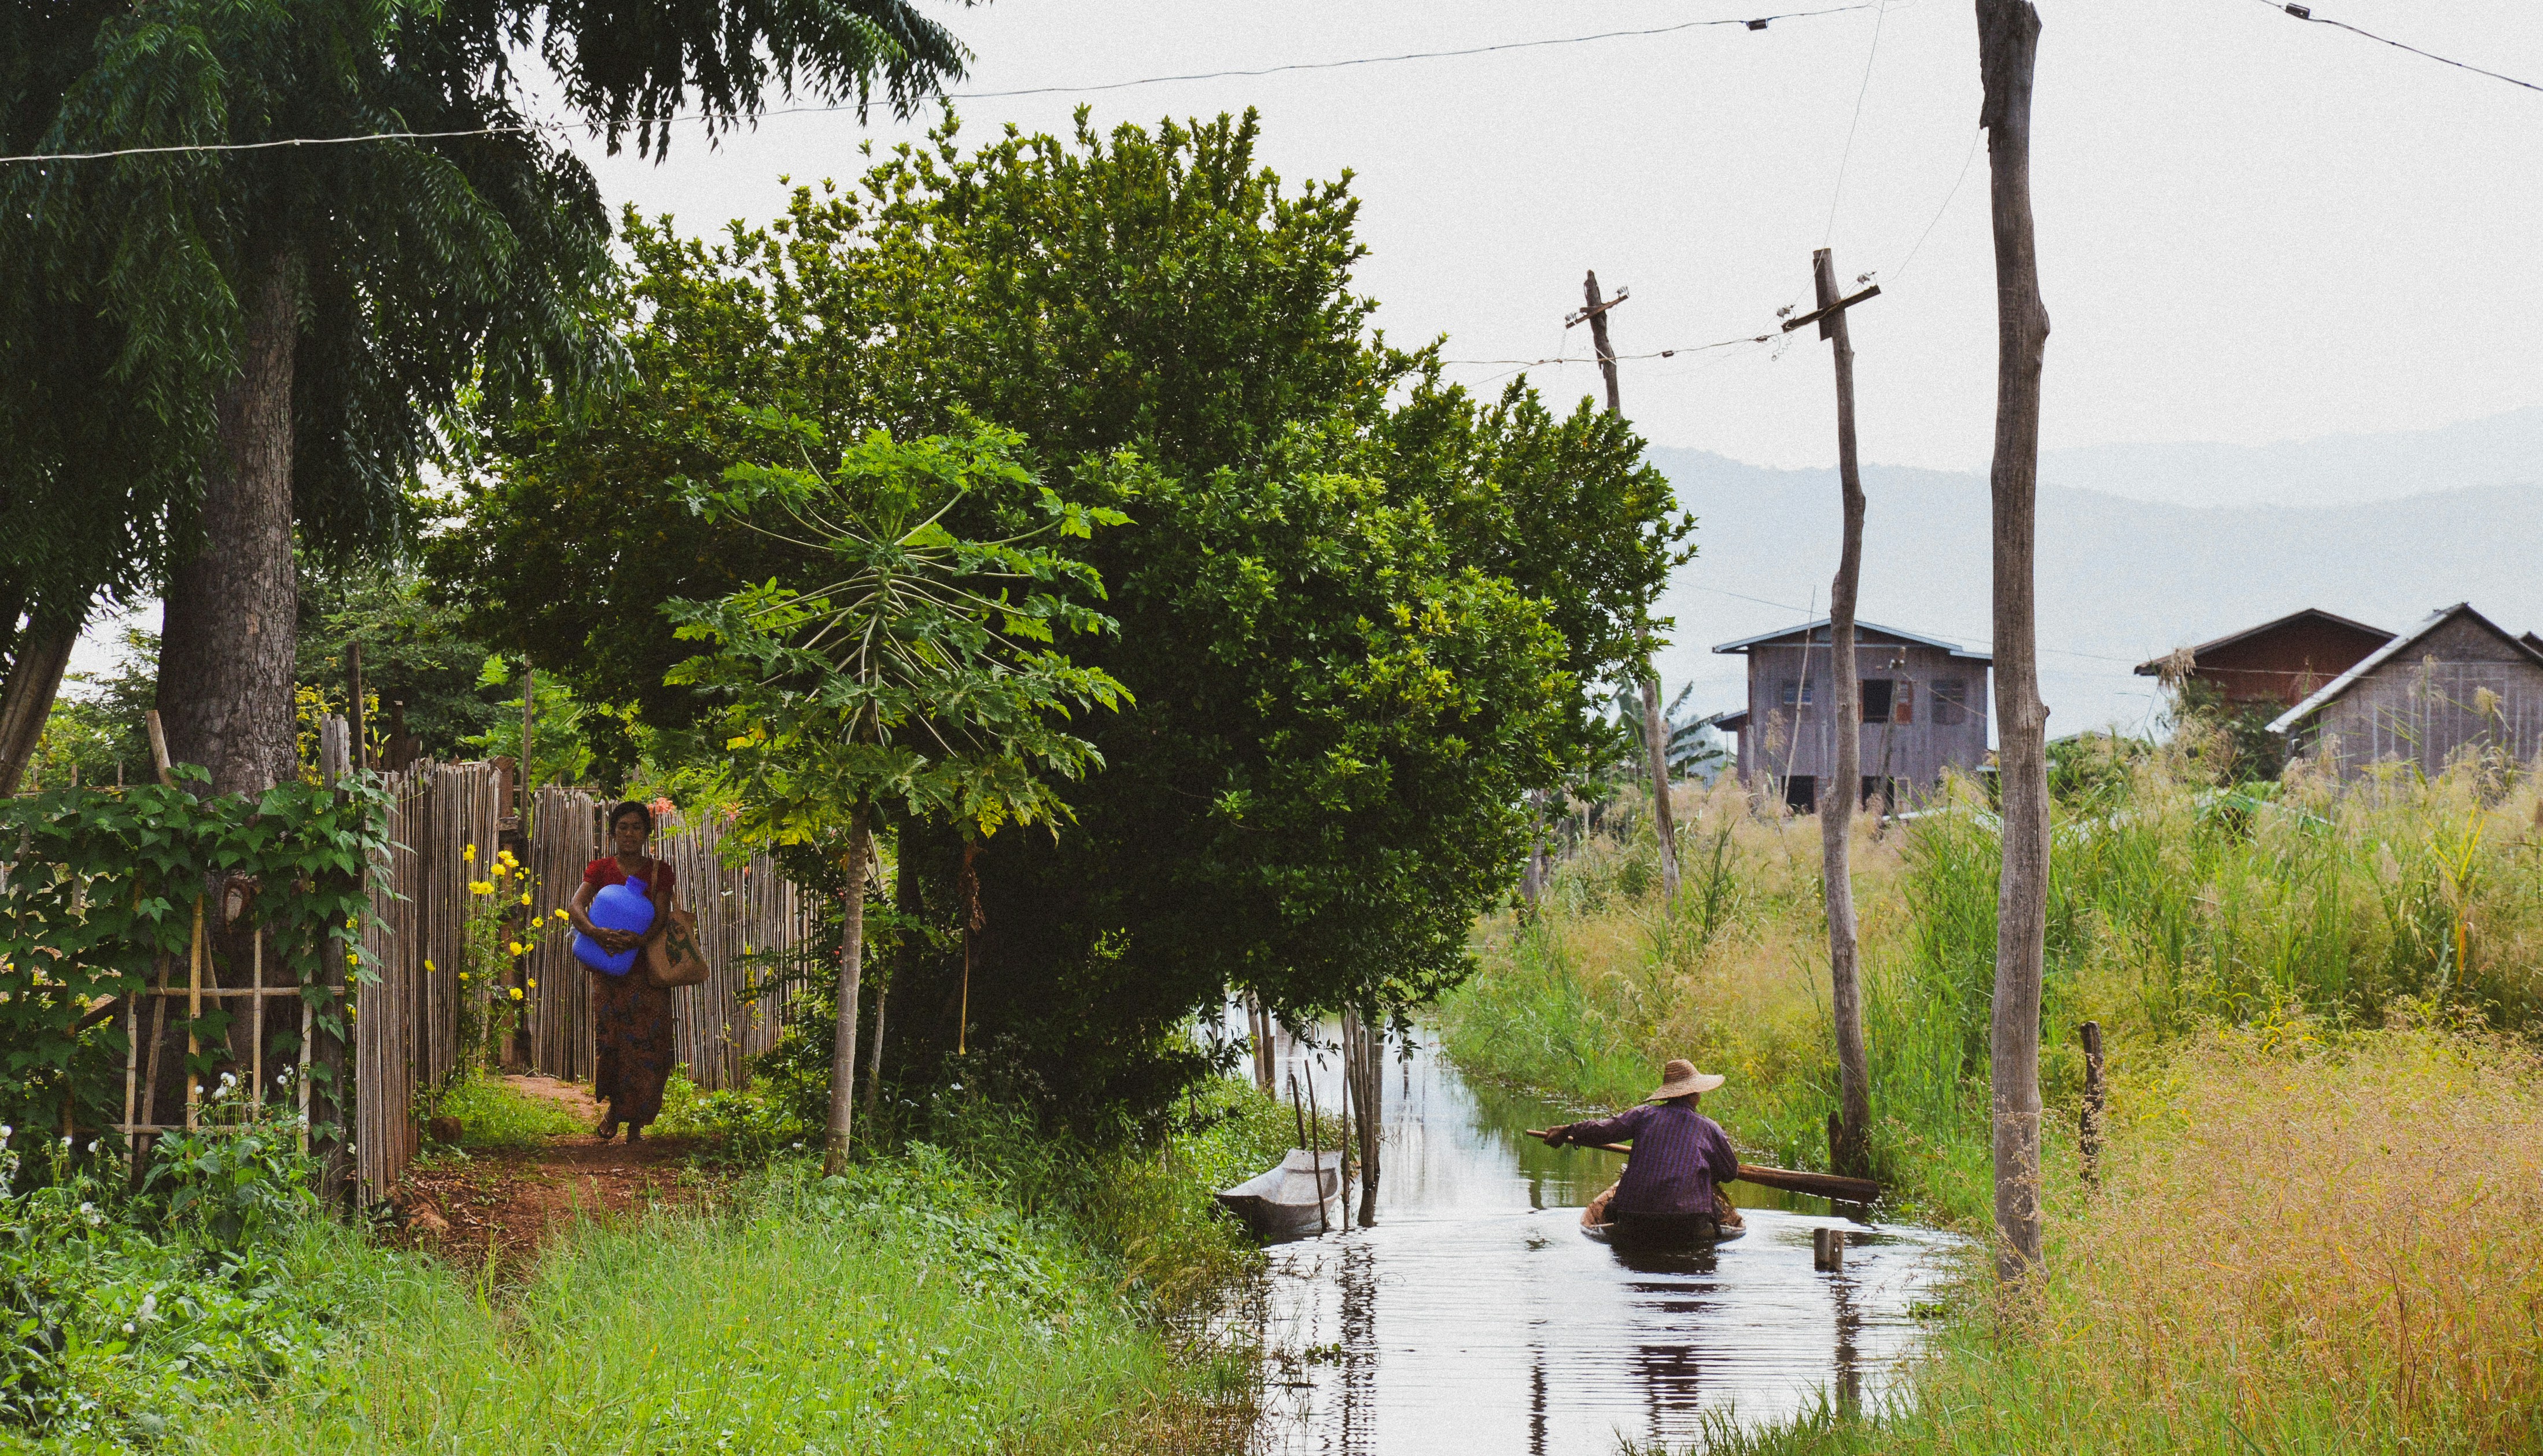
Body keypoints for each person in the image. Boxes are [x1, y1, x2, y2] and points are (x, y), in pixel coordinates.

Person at [567, 800, 677, 1141]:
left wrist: (639, 940)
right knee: (612, 1043)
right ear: (613, 832)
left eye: (636, 828)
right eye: (623, 827)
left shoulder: (659, 871)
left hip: (646, 976)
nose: (629, 834)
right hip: (609, 971)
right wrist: (595, 932)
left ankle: (636, 1125)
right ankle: (615, 1111)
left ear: (647, 833)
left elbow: (660, 916)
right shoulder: (601, 870)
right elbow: (575, 906)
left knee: (647, 1046)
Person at [1540, 1058, 1744, 1234]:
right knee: (1713, 1211)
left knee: (1612, 1210)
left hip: (1634, 1216)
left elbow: (1603, 1131)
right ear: (1694, 1096)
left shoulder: (1643, 1115)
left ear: (1668, 1094)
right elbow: (1729, 1172)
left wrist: (1569, 1130)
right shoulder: (1709, 1128)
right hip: (1690, 1220)